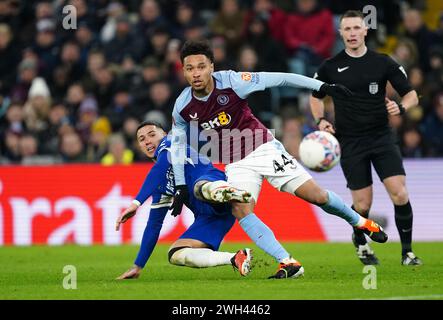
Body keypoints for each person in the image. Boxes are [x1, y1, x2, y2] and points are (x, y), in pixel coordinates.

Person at [169, 40, 387, 279]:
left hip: (263, 149)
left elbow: (282, 78)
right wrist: (180, 186)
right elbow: (178, 146)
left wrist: (323, 87)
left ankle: (359, 221)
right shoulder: (182, 106)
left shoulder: (232, 82)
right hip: (236, 164)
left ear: (211, 66)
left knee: (317, 196)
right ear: (184, 71)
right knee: (241, 210)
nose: (196, 73)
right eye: (190, 68)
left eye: (201, 66)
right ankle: (288, 262)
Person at [310, 10, 422, 266]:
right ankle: (361, 243)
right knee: (362, 205)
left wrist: (401, 107)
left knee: (400, 193)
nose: (351, 33)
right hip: (350, 141)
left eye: (355, 28)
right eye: (346, 29)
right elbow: (314, 96)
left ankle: (407, 253)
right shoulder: (330, 66)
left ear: (365, 31)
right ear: (341, 33)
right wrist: (321, 120)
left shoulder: (382, 62)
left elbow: (411, 94)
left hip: (382, 137)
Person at [115, 121, 253, 279]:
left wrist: (136, 203)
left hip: (211, 182)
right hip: (211, 218)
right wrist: (137, 266)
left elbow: (160, 167)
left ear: (164, 135)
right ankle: (236, 258)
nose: (147, 141)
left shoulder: (172, 143)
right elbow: (154, 225)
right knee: (175, 253)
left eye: (152, 135)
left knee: (199, 188)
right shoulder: (161, 184)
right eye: (141, 139)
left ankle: (228, 192)